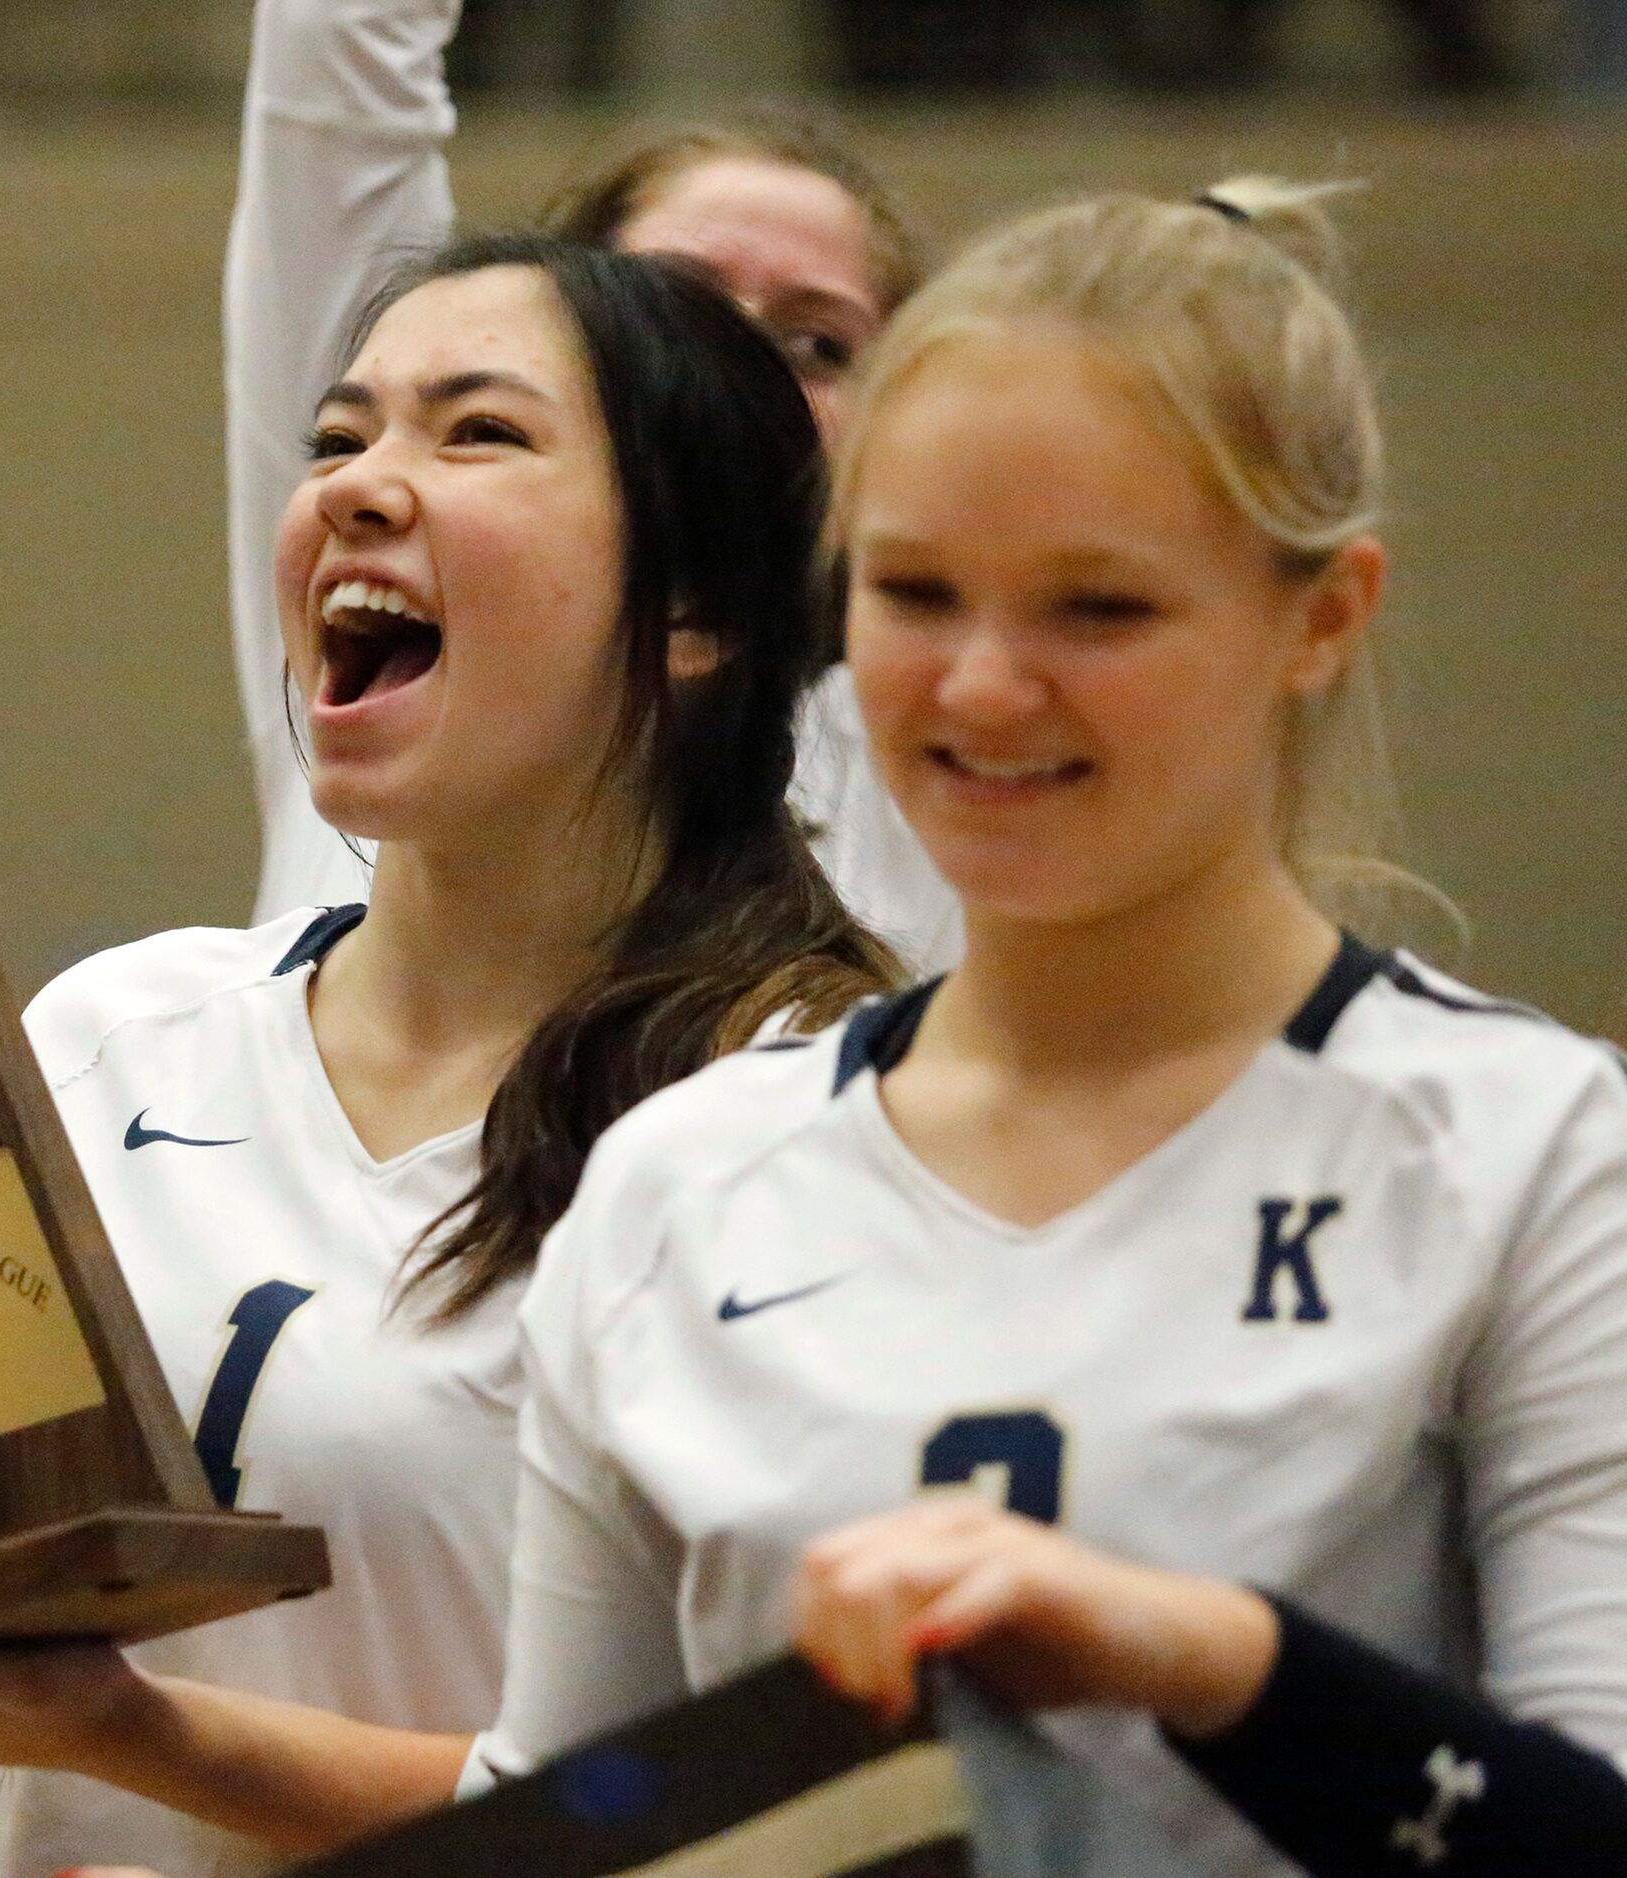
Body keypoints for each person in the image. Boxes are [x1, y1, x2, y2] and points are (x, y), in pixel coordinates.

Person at [0, 233, 896, 1876]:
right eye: (338, 439)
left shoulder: (812, 1123)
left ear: (694, 610)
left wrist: (149, 1742)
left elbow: (750, 1812)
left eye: (475, 434)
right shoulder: (116, 1036)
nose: (361, 489)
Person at [470, 179, 1627, 1872]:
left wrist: (1206, 1656)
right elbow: (558, 1843)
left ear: (1321, 614)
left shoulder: (1527, 1147)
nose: (985, 686)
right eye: (916, 592)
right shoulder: (674, 1187)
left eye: (1096, 608)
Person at [227, 0, 960, 971]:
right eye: (674, 305)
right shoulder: (140, 1020)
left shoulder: (961, 731)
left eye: (816, 343)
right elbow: (336, 62)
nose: (735, 363)